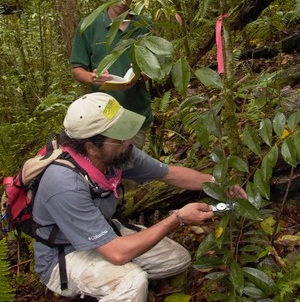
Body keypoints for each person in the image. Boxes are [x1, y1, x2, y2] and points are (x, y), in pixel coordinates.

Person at [32, 92, 247, 302]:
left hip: (102, 233)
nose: (128, 141)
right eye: (119, 138)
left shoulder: (120, 154)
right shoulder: (64, 183)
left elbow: (171, 174)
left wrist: (220, 184)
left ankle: (114, 283)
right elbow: (116, 253)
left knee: (178, 260)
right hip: (64, 254)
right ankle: (114, 286)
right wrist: (177, 219)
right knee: (133, 282)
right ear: (91, 147)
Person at [70, 0, 152, 149]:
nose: (124, 1)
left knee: (133, 173)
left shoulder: (144, 24)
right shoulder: (89, 26)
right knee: (108, 175)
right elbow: (77, 69)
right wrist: (93, 77)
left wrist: (146, 73)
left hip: (136, 113)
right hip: (102, 118)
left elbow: (155, 66)